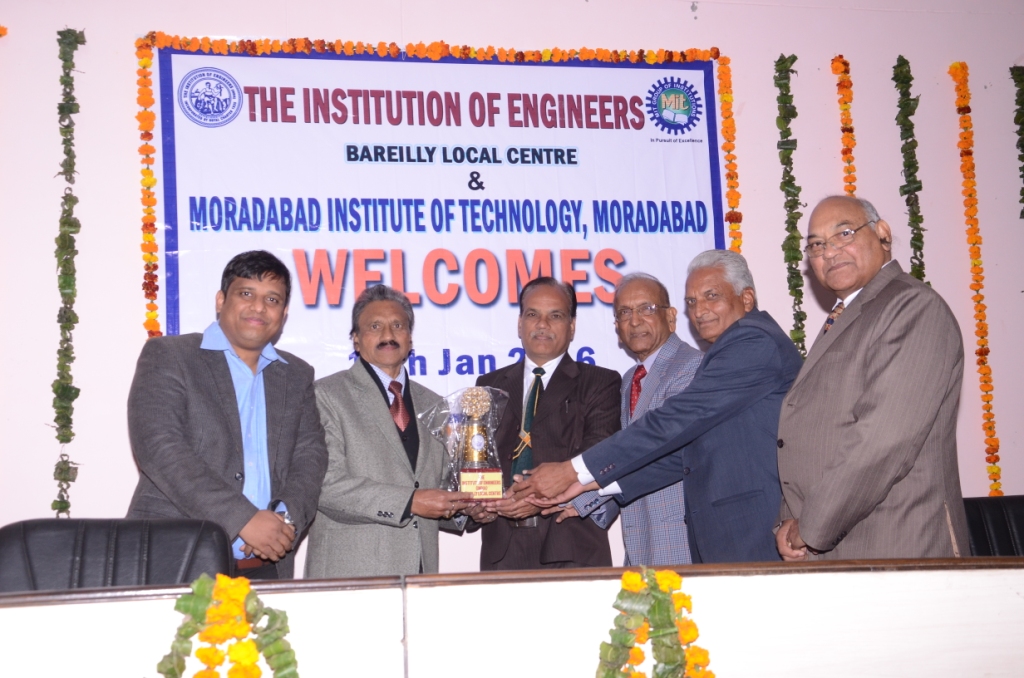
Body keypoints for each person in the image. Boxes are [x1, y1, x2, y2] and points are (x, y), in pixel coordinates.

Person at [515, 251, 803, 563]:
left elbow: (673, 421)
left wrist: (573, 470)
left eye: (711, 296)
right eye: (692, 301)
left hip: (751, 531)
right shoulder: (713, 356)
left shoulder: (752, 340)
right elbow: (686, 455)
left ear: (746, 299)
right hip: (719, 540)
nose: (700, 311)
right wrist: (590, 484)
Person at [776, 195, 969, 561]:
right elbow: (814, 428)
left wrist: (810, 525)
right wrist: (790, 517)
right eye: (816, 245)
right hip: (840, 546)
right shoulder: (848, 315)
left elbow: (882, 441)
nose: (830, 252)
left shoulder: (913, 307)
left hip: (897, 544)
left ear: (882, 234)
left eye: (844, 234)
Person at [127, 250, 329, 580]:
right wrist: (243, 519)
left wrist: (283, 521)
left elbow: (311, 455)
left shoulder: (296, 374)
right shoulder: (171, 355)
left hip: (266, 565)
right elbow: (160, 447)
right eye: (246, 293)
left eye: (272, 299)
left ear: (283, 313)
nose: (259, 307)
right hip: (174, 559)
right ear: (221, 301)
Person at [304, 285, 481, 578]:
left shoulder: (434, 404)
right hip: (349, 574)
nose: (388, 335)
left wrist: (465, 508)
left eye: (398, 325)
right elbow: (325, 486)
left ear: (410, 339)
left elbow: (436, 486)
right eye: (375, 326)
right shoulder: (325, 395)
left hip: (420, 575)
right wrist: (412, 502)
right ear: (356, 339)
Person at [473, 277, 621, 570]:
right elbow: (479, 460)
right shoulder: (488, 385)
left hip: (571, 547)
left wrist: (536, 496)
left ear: (572, 326)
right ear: (520, 324)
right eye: (532, 314)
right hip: (501, 551)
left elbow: (599, 456)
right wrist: (477, 504)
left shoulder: (600, 382)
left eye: (555, 315)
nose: (542, 324)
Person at [566, 273, 703, 566]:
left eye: (646, 309)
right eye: (625, 313)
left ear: (671, 317)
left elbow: (663, 452)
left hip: (680, 540)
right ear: (617, 327)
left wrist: (574, 485)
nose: (635, 321)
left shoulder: (693, 367)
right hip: (641, 543)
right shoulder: (630, 378)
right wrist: (577, 502)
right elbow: (624, 459)